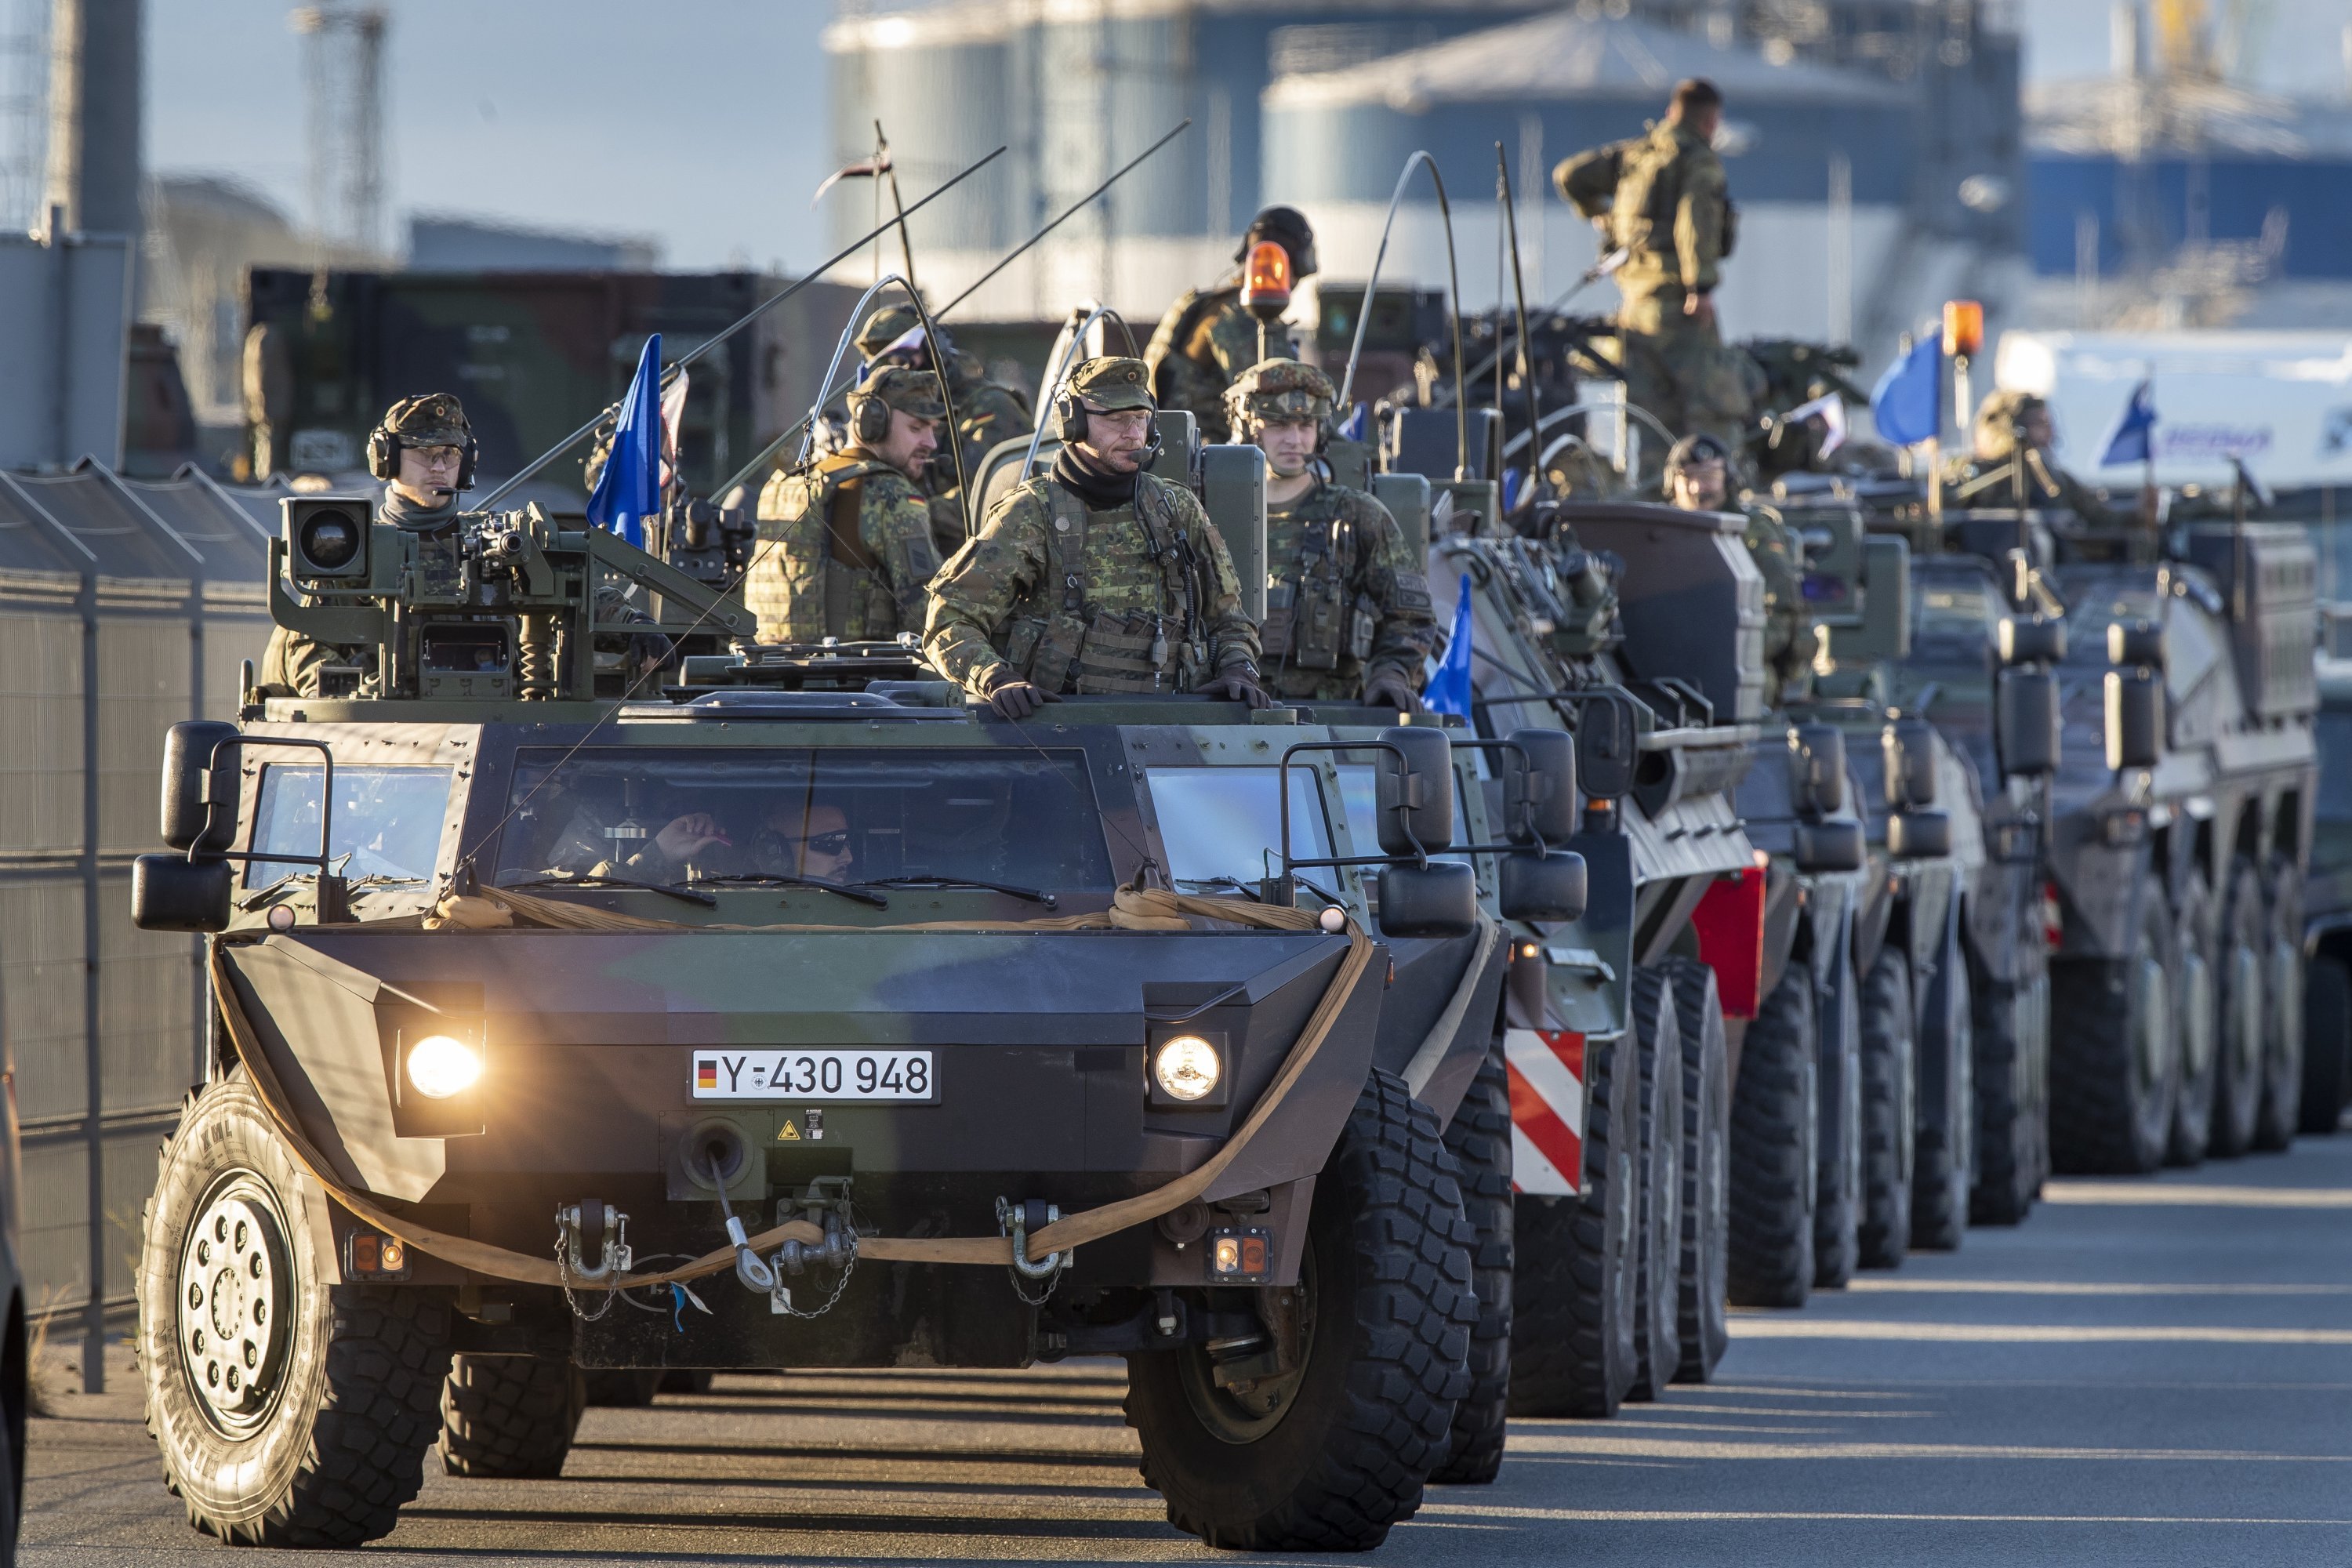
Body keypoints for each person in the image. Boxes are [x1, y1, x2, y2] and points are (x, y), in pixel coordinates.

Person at [924, 355, 1268, 718]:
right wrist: (996, 679)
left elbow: (1228, 619)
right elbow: (949, 619)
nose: (1134, 434)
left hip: (1172, 727)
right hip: (1065, 731)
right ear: (1071, 422)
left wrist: (1238, 667)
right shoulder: (1031, 513)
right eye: (1117, 420)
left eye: (1140, 419)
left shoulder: (1176, 506)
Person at [1555, 78, 1751, 471]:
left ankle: (1653, 501)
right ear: (1711, 121)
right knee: (1712, 410)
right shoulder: (1697, 160)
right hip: (1679, 308)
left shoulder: (1634, 156)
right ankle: (1710, 498)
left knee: (1651, 420)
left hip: (1635, 308)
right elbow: (1693, 222)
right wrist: (1700, 287)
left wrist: (1598, 214)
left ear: (1671, 113)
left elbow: (1569, 176)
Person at [1222, 360, 1434, 710]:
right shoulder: (1211, 512)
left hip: (1331, 718)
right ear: (1248, 428)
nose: (1294, 439)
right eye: (1278, 425)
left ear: (1320, 432)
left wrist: (1391, 674)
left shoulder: (1356, 515)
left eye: (1305, 425)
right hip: (1230, 716)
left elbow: (1411, 614)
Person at [258, 393, 477, 696]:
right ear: (387, 458)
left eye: (450, 454)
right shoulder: (351, 549)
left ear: (465, 463)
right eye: (425, 453)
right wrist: (357, 697)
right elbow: (307, 649)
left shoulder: (489, 545)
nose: (439, 467)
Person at [744, 365, 946, 645]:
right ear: (872, 423)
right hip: (858, 681)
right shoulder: (890, 493)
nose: (931, 443)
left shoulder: (785, 485)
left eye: (933, 430)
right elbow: (930, 615)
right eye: (916, 428)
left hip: (771, 676)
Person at [855, 303, 1033, 553]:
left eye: (900, 355)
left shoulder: (990, 406)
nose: (894, 367)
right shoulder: (891, 413)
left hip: (976, 560)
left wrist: (910, 514)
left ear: (932, 349)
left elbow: (1001, 495)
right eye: (882, 359)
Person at [1665, 432, 1815, 706]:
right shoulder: (1658, 533)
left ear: (1728, 479)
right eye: (1689, 478)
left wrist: (1736, 650)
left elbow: (1782, 608)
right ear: (1672, 483)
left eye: (1709, 476)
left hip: (1739, 661)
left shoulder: (1751, 531)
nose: (1699, 488)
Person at [1144, 205, 1315, 443]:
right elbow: (1281, 401)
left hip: (1176, 447)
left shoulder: (1209, 304)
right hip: (1202, 456)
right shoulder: (1239, 317)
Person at [1943, 389, 2151, 531]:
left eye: (2047, 423)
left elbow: (2098, 516)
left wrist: (2140, 515)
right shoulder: (1978, 473)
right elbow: (1946, 508)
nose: (2049, 432)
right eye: (2039, 423)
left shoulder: (2053, 478)